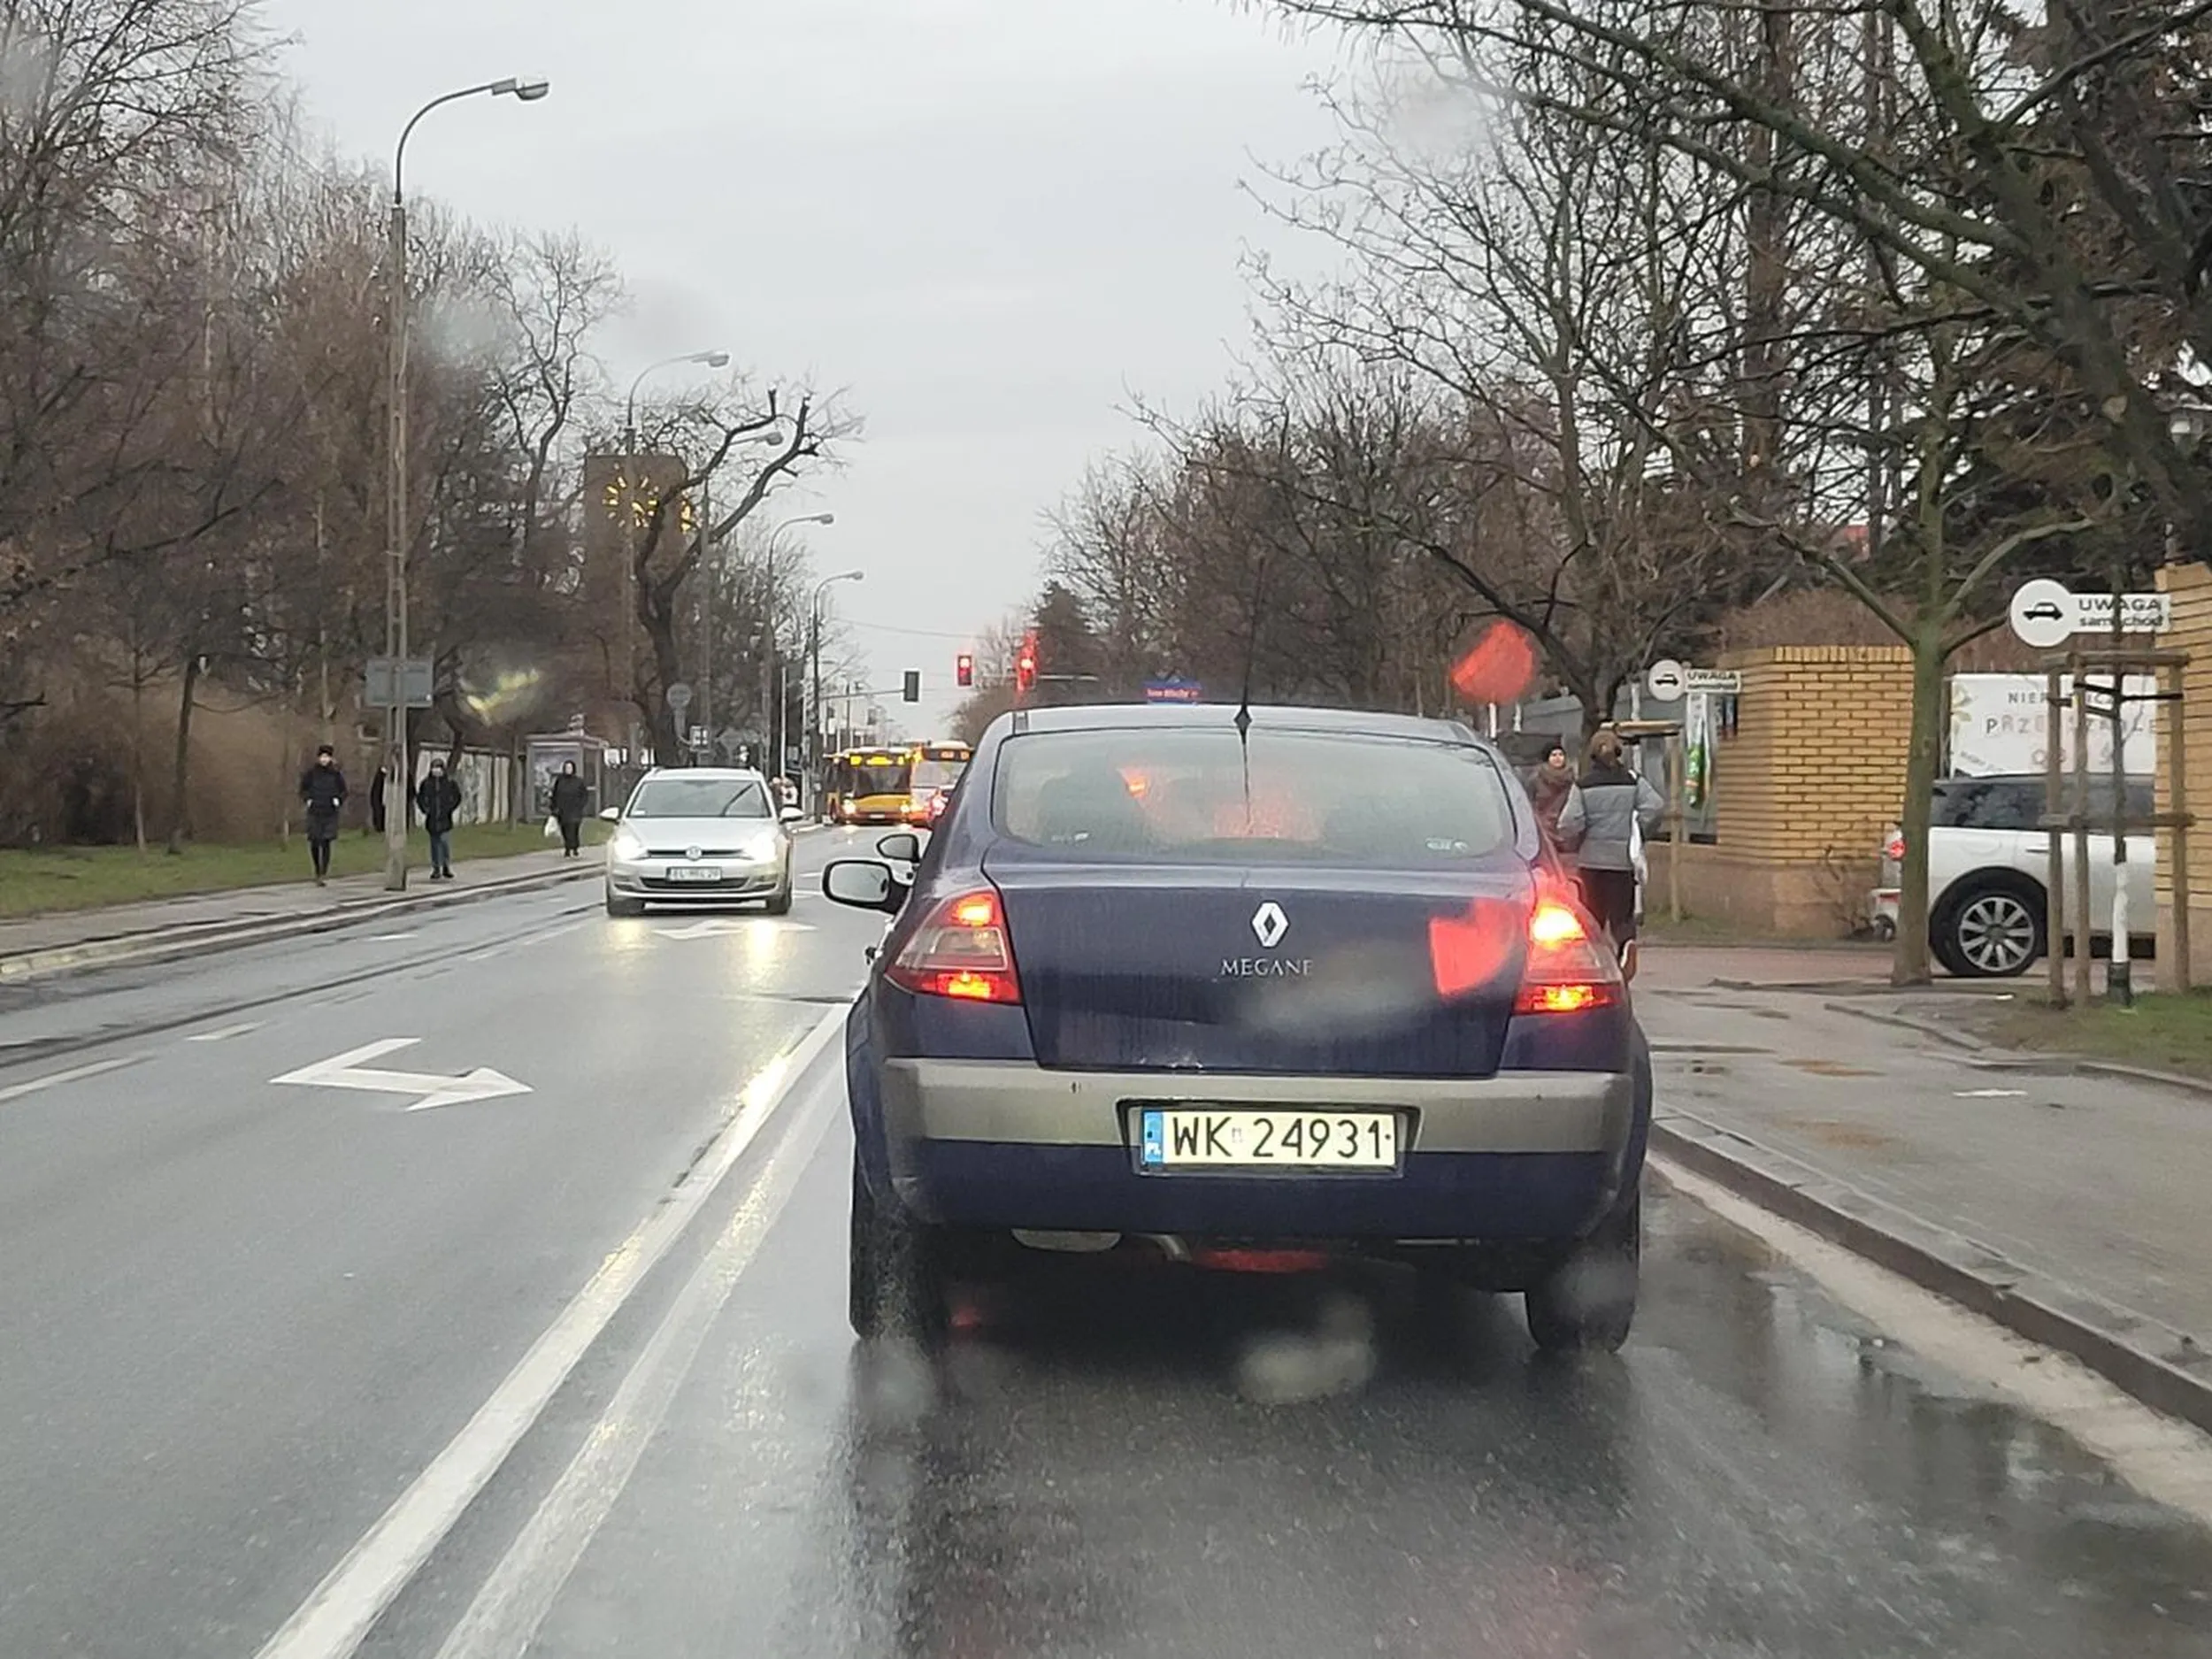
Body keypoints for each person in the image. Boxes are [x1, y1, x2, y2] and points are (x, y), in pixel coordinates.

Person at [1555, 729, 1663, 974]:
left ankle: (1595, 962)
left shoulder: (1583, 785)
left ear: (1592, 754)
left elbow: (1569, 822)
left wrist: (1574, 841)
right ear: (1618, 752)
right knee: (1622, 915)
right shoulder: (1633, 781)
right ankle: (1625, 946)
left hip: (1591, 862)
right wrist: (1640, 830)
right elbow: (1655, 806)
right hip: (1622, 861)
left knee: (1593, 916)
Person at [299, 745, 348, 885]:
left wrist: (338, 800)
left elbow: (344, 790)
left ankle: (323, 872)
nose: (324, 759)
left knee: (326, 841)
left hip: (329, 812)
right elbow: (303, 789)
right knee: (314, 841)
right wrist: (308, 799)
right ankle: (317, 868)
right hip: (315, 811)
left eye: (327, 757)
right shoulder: (311, 774)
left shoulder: (336, 774)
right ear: (318, 758)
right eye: (322, 757)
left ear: (331, 758)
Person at [1528, 740, 1577, 861]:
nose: (1558, 758)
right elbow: (1530, 803)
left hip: (1566, 829)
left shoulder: (1573, 779)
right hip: (1543, 830)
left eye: (1561, 754)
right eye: (1554, 755)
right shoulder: (1536, 779)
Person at [416, 759, 463, 880]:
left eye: (439, 768)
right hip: (432, 819)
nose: (436, 770)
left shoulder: (449, 783)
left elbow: (457, 797)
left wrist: (450, 808)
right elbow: (420, 798)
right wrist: (425, 809)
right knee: (434, 844)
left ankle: (446, 866)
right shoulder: (426, 783)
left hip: (445, 818)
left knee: (444, 842)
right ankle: (436, 868)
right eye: (434, 768)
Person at [549, 761, 588, 857]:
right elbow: (555, 794)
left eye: (570, 768)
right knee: (565, 829)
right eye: (567, 768)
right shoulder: (560, 781)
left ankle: (574, 847)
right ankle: (567, 847)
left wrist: (581, 805)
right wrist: (554, 807)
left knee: (573, 828)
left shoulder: (578, 781)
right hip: (563, 810)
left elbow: (584, 795)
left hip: (575, 810)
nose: (568, 770)